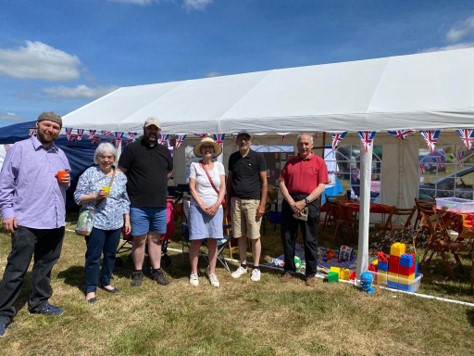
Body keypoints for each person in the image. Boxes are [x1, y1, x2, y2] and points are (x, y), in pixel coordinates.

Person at [0, 112, 71, 337]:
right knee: (16, 269)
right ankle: (3, 314)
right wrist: (7, 212)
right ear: (37, 125)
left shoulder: (60, 153)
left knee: (45, 265)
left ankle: (39, 302)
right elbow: (5, 184)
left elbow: (64, 184)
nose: (51, 130)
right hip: (27, 219)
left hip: (55, 219)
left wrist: (66, 182)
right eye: (47, 125)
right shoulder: (20, 149)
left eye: (55, 127)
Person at [118, 117, 173, 287]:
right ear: (144, 130)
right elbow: (121, 171)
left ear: (159, 132)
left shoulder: (164, 151)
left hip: (159, 204)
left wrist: (155, 181)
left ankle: (156, 269)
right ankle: (138, 271)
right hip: (138, 204)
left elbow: (169, 171)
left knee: (156, 239)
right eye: (149, 129)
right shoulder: (132, 149)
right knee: (139, 239)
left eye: (155, 129)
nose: (152, 132)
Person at [74, 143, 131, 303]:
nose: (106, 160)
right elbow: (78, 197)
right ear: (97, 158)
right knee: (93, 256)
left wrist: (126, 218)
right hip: (96, 222)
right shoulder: (89, 173)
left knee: (111, 254)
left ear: (114, 158)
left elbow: (124, 199)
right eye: (103, 157)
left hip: (115, 222)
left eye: (110, 157)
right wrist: (95, 196)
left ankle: (105, 281)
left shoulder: (120, 176)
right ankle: (91, 288)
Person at [278, 133, 328, 287]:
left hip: (309, 201)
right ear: (297, 145)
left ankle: (310, 274)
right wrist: (292, 202)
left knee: (310, 239)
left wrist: (305, 201)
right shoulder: (290, 162)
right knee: (288, 237)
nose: (304, 147)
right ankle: (289, 270)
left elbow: (321, 186)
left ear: (312, 145)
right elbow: (281, 183)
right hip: (290, 202)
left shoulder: (319, 162)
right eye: (301, 144)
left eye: (306, 144)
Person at [227, 132, 268, 282]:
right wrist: (228, 200)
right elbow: (229, 180)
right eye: (240, 139)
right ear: (237, 142)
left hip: (253, 202)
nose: (243, 141)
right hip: (236, 201)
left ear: (250, 141)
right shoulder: (233, 158)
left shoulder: (258, 157)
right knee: (240, 235)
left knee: (254, 236)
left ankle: (256, 267)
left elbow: (264, 182)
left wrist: (262, 204)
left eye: (245, 139)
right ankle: (243, 265)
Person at [188, 137, 226, 287]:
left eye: (210, 147)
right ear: (201, 151)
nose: (207, 150)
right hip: (198, 208)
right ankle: (194, 272)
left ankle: (212, 272)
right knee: (196, 240)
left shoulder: (220, 166)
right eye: (204, 148)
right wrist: (202, 205)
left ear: (214, 151)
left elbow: (223, 187)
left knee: (213, 241)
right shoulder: (194, 166)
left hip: (216, 208)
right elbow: (192, 187)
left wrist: (217, 204)